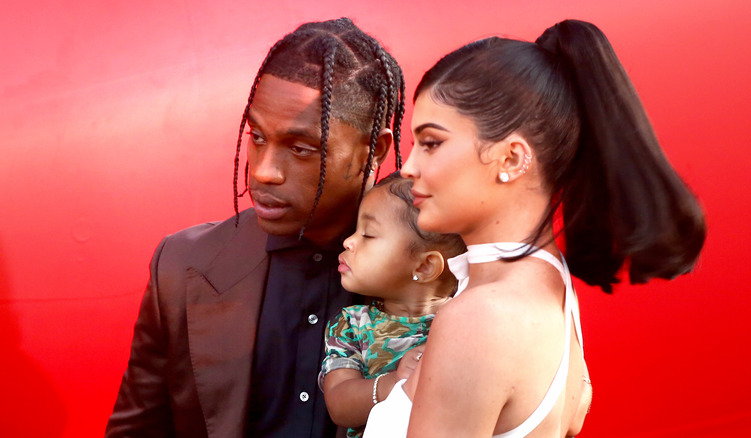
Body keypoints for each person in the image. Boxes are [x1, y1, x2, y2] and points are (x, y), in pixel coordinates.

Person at [365, 19, 706, 437]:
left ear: (511, 159)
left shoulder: (480, 318)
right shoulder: (551, 287)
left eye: (432, 143)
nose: (410, 167)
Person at [105, 17, 406, 438]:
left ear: (375, 150)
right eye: (258, 137)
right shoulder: (181, 264)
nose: (264, 172)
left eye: (300, 149)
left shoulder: (440, 269)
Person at [319, 173, 466, 438]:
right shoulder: (351, 324)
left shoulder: (469, 322)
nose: (348, 241)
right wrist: (397, 382)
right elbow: (339, 405)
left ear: (424, 266)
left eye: (368, 234)